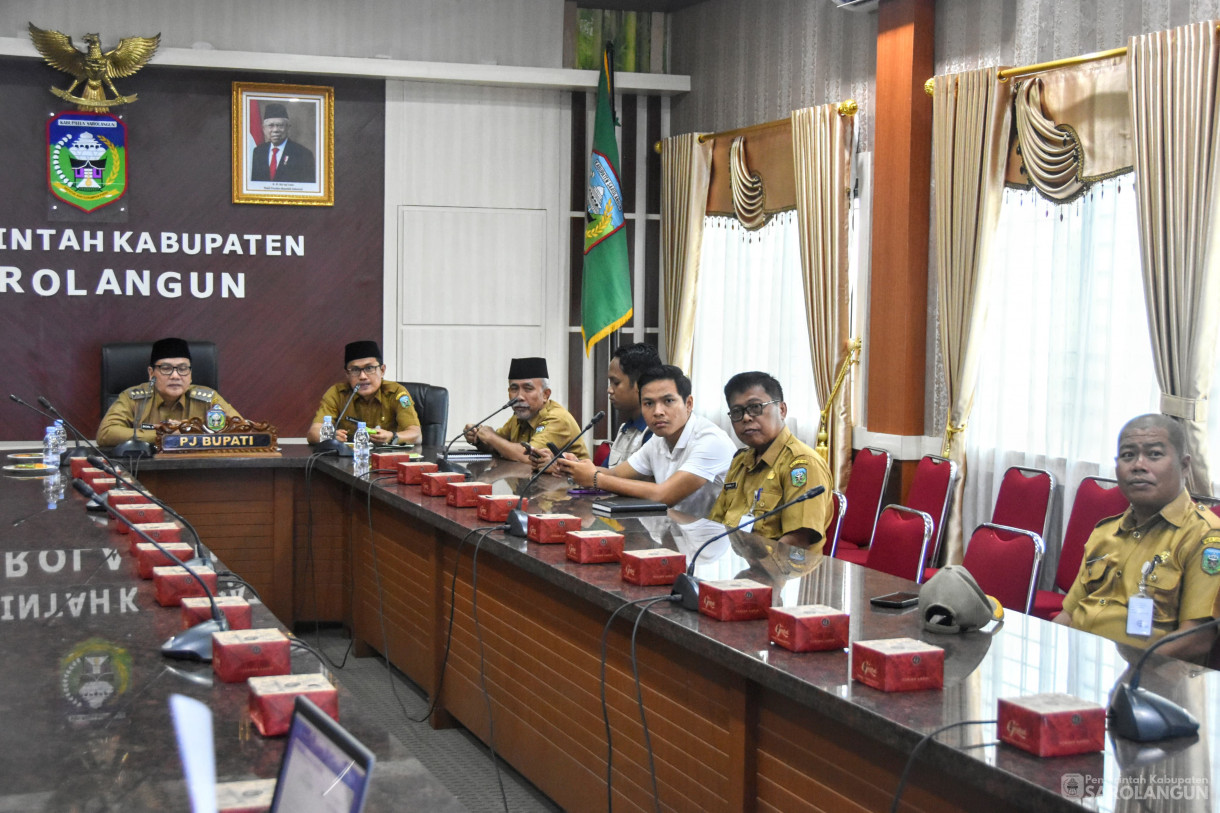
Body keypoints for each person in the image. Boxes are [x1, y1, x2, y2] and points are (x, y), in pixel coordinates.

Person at [1053, 414, 1220, 661]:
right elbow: (1069, 614)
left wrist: (1130, 671)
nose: (1138, 465)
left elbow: (1196, 639)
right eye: (1128, 455)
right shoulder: (1104, 532)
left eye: (1154, 454)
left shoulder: (1205, 537)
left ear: (1184, 466)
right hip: (1082, 666)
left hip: (1149, 681)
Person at [555, 365, 735, 516]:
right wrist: (576, 467)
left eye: (668, 401)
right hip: (674, 533)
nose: (658, 411)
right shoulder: (659, 439)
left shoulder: (711, 441)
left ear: (688, 404)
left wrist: (595, 478)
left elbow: (664, 495)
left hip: (710, 545)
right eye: (648, 403)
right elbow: (617, 474)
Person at [708, 372, 833, 551]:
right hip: (735, 565)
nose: (746, 418)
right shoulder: (741, 461)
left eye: (755, 407)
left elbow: (797, 541)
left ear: (782, 410)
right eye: (737, 412)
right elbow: (716, 524)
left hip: (781, 572)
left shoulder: (801, 464)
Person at [530, 342, 661, 470]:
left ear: (640, 384)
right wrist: (569, 463)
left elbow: (620, 481)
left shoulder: (654, 432)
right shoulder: (625, 429)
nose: (609, 389)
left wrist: (580, 470)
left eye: (616, 382)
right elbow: (603, 473)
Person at [97, 337, 241, 446]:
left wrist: (192, 432)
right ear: (151, 373)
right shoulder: (133, 398)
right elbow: (106, 433)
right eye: (166, 368)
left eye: (183, 369)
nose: (175, 376)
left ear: (190, 375)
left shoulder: (209, 398)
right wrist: (164, 435)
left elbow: (242, 430)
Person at [462, 357, 589, 465]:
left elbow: (527, 457)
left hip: (571, 490)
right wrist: (478, 437)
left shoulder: (558, 418)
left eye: (528, 389)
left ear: (545, 394)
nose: (519, 396)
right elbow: (499, 446)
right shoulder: (520, 416)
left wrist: (490, 436)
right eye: (514, 389)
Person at [307, 341, 421, 446]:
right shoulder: (337, 394)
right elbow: (313, 433)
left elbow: (416, 435)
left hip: (387, 460)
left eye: (369, 368)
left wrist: (392, 437)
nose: (362, 376)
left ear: (382, 370)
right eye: (355, 370)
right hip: (348, 461)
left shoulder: (396, 392)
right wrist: (329, 436)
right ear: (347, 374)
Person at [250, 102, 316, 183]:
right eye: (271, 126)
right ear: (264, 129)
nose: (275, 130)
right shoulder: (258, 152)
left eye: (280, 125)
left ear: (288, 128)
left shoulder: (303, 154)